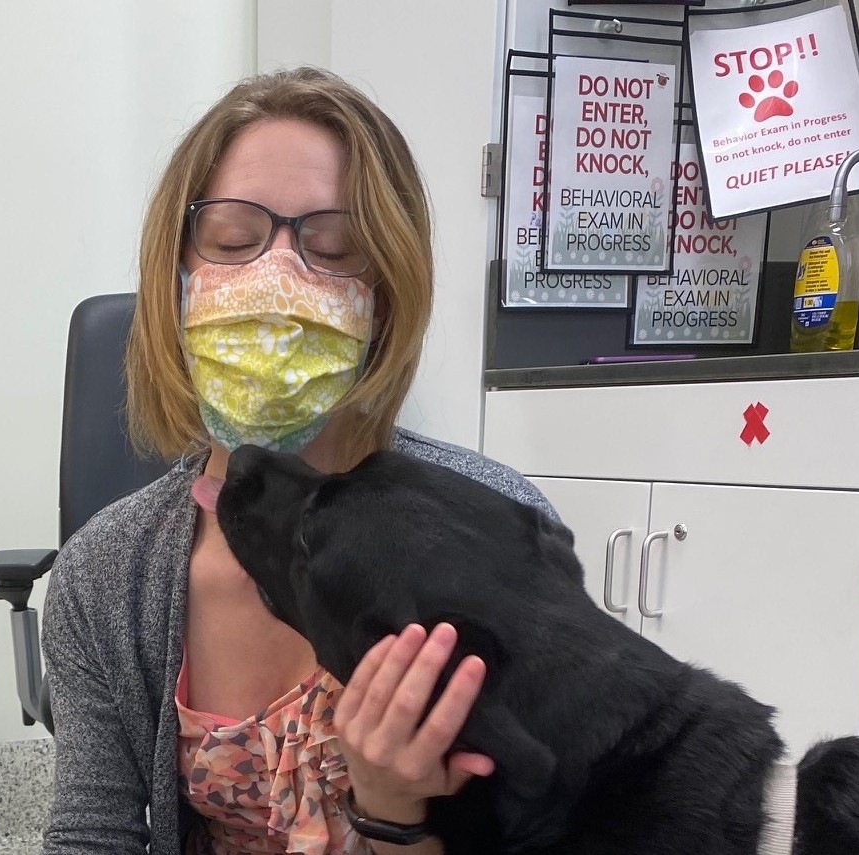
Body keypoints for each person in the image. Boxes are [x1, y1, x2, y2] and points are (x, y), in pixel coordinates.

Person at [40, 67, 556, 855]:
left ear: (382, 299)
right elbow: (90, 836)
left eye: (334, 248)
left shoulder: (498, 534)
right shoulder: (103, 577)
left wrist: (392, 815)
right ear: (173, 279)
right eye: (234, 242)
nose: (277, 281)